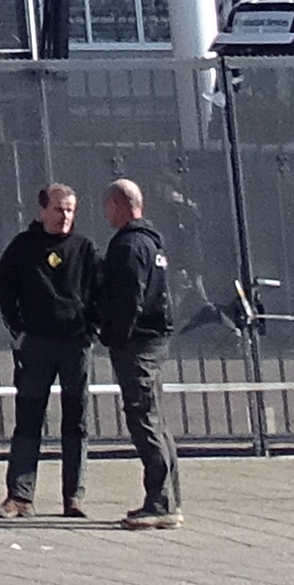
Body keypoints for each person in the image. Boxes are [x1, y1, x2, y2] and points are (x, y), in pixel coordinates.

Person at [0, 182, 101, 521]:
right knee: (29, 417)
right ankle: (20, 497)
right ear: (42, 210)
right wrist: (19, 329)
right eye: (58, 209)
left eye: (70, 210)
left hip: (75, 344)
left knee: (76, 420)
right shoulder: (23, 247)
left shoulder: (85, 249)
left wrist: (92, 330)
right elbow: (5, 288)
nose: (65, 216)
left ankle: (74, 497)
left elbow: (99, 291)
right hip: (36, 344)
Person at [94, 177, 183, 532]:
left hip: (137, 342)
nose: (106, 214)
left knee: (143, 417)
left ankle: (160, 503)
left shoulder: (128, 245)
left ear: (116, 205)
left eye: (107, 207)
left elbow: (129, 297)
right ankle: (169, 498)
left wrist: (113, 335)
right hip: (156, 338)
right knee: (156, 418)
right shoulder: (152, 243)